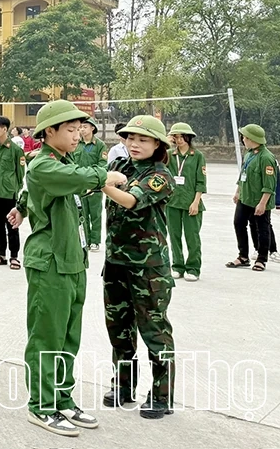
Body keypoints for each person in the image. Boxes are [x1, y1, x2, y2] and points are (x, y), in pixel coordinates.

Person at [7, 100, 123, 436]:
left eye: (79, 129)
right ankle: (41, 406)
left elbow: (34, 193)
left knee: (69, 336)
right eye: (70, 129)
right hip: (49, 261)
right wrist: (106, 175)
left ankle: (63, 398)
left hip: (73, 259)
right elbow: (71, 178)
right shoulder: (44, 164)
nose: (77, 135)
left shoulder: (65, 160)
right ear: (49, 132)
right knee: (46, 336)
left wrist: (22, 208)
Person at [101, 115, 177, 420]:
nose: (134, 144)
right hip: (116, 262)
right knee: (118, 329)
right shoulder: (120, 168)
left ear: (157, 144)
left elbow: (131, 200)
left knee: (154, 331)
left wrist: (100, 183)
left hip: (149, 268)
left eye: (143, 139)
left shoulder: (160, 176)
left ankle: (162, 396)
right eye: (130, 138)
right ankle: (123, 386)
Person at [227, 124, 277, 272]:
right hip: (245, 197)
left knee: (262, 229)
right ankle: (243, 256)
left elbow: (269, 185)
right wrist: (238, 191)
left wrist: (262, 204)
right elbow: (243, 176)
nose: (243, 139)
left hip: (259, 201)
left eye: (244, 137)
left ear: (252, 139)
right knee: (238, 223)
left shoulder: (266, 158)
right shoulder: (249, 154)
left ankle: (262, 259)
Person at [0, 116, 26, 269]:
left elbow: (20, 173)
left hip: (8, 193)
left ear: (4, 129)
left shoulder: (16, 150)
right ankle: (1, 254)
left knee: (12, 225)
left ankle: (14, 256)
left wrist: (14, 188)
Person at [167, 123, 206, 281]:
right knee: (174, 236)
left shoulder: (197, 156)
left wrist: (196, 201)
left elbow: (201, 182)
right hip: (172, 201)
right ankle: (177, 265)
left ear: (189, 137)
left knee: (192, 237)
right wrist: (166, 143)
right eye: (176, 136)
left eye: (183, 136)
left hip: (191, 202)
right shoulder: (169, 154)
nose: (180, 139)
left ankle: (193, 268)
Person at [74, 117, 107, 251]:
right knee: (81, 214)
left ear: (92, 128)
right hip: (79, 185)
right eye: (80, 127)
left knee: (95, 214)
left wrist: (93, 178)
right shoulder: (76, 143)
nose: (82, 129)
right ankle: (85, 240)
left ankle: (95, 240)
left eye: (84, 127)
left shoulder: (100, 145)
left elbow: (103, 164)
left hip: (94, 186)